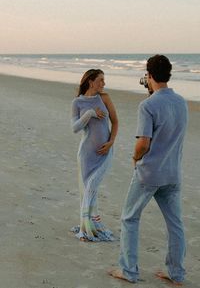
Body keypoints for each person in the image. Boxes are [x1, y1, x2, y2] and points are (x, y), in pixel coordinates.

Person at [109, 55, 188, 285]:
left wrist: (135, 157)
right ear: (168, 74)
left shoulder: (148, 105)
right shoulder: (181, 102)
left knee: (129, 218)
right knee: (175, 224)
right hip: (173, 172)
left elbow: (143, 142)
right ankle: (176, 273)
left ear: (149, 75)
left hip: (150, 173)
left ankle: (128, 271)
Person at [71, 69, 118, 242]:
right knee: (87, 191)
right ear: (91, 81)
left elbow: (116, 122)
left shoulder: (104, 98)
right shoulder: (77, 102)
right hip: (86, 154)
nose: (104, 84)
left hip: (105, 153)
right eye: (100, 80)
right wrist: (90, 113)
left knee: (91, 187)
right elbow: (75, 128)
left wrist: (111, 142)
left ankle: (88, 227)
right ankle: (88, 226)